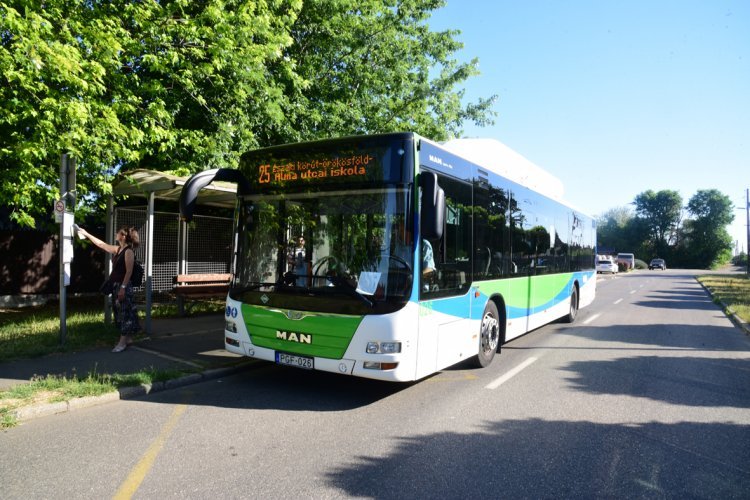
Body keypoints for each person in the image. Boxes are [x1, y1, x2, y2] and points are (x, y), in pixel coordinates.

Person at [77, 225, 141, 352]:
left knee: (124, 313)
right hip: (116, 285)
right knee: (119, 312)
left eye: (118, 233)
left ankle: (122, 343)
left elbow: (129, 271)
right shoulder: (118, 249)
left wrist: (123, 288)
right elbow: (102, 244)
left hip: (123, 285)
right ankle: (127, 338)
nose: (116, 234)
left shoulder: (128, 251)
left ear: (123, 236)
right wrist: (86, 233)